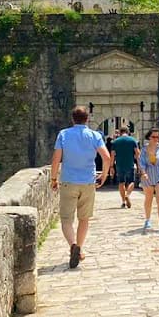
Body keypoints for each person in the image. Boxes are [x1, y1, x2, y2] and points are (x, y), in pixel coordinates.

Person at [50, 106, 111, 269]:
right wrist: (104, 175)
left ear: (72, 119)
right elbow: (106, 157)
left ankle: (73, 245)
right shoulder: (95, 135)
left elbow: (56, 159)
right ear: (87, 119)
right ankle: (80, 248)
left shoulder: (63, 134)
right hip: (88, 182)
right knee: (84, 218)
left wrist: (53, 178)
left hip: (68, 181)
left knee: (66, 220)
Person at [138, 128, 159, 233]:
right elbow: (141, 162)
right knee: (148, 199)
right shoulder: (144, 149)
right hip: (148, 175)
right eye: (154, 137)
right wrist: (143, 173)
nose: (156, 139)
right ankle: (147, 220)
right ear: (149, 137)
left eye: (158, 137)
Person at [111, 125, 138, 208]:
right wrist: (139, 165)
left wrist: (111, 167)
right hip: (130, 164)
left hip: (119, 164)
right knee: (131, 181)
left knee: (121, 182)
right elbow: (137, 153)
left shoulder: (115, 142)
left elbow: (112, 155)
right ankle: (127, 194)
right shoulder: (133, 140)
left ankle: (123, 201)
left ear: (120, 133)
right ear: (128, 132)